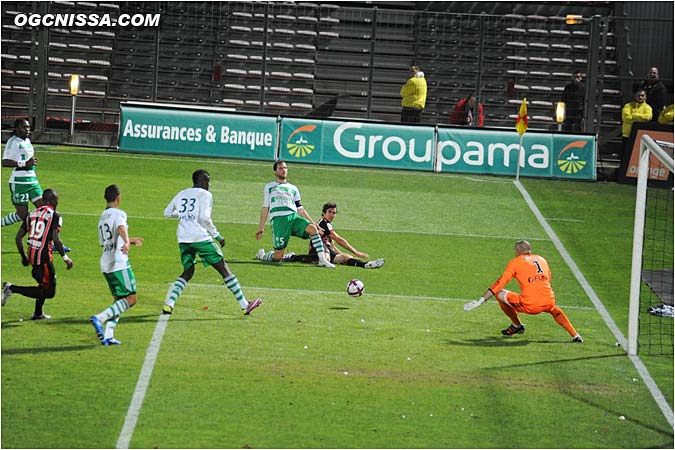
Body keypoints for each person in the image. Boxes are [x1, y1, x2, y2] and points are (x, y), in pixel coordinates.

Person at [162, 169, 261, 315]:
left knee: (188, 271)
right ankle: (244, 304)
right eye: (207, 181)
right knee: (223, 268)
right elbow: (204, 217)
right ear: (201, 181)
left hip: (183, 238)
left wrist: (185, 215)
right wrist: (217, 235)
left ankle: (169, 303)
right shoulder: (205, 194)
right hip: (200, 237)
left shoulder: (182, 193)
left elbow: (167, 212)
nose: (209, 185)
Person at [474, 240, 583, 342]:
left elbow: (500, 282)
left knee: (499, 294)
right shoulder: (541, 259)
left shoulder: (515, 262)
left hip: (531, 305)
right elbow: (548, 278)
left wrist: (482, 299)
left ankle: (517, 325)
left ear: (517, 251)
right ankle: (575, 335)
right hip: (549, 299)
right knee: (553, 309)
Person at [1, 189, 73, 319]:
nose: (57, 202)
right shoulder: (55, 216)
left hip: (32, 256)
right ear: (50, 201)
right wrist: (66, 258)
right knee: (49, 292)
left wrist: (24, 258)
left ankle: (38, 313)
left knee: (44, 284)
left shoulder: (31, 214)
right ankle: (11, 288)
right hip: (44, 258)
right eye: (56, 200)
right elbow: (56, 239)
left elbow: (18, 238)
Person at [89, 185, 144, 346]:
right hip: (119, 263)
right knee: (131, 298)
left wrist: (130, 240)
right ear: (118, 197)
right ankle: (99, 318)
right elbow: (120, 227)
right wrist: (127, 241)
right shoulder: (119, 214)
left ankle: (108, 335)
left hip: (106, 263)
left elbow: (106, 241)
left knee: (119, 301)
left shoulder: (102, 217)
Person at [255, 161, 334, 268]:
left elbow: (300, 209)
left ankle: (322, 260)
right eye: (281, 168)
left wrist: (314, 223)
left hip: (293, 217)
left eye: (285, 168)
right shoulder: (269, 186)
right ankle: (262, 255)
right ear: (275, 171)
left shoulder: (293, 188)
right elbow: (265, 207)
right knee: (278, 257)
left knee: (313, 229)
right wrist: (261, 227)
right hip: (279, 219)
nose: (284, 170)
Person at [287, 202, 385, 269]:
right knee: (327, 258)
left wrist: (340, 255)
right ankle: (293, 257)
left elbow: (332, 244)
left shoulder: (328, 225)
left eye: (334, 213)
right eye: (329, 212)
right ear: (323, 213)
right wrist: (356, 252)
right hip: (317, 250)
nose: (332, 215)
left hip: (328, 250)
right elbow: (339, 240)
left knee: (345, 257)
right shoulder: (323, 224)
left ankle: (366, 265)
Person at [1, 118, 43, 227]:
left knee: (44, 210)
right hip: (19, 183)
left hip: (32, 181)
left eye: (28, 127)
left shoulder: (27, 140)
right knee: (22, 215)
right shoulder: (13, 142)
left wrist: (32, 162)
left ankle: (42, 234)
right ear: (17, 128)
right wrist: (24, 163)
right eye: (24, 127)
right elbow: (4, 162)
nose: (27, 129)